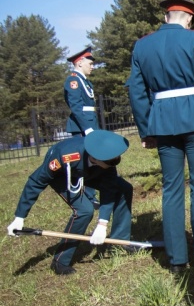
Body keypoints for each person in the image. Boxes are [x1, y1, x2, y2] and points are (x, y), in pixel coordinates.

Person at [127, 0, 194, 274]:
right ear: (189, 19)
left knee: (171, 188)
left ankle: (176, 260)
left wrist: (146, 129)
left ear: (166, 18)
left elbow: (136, 92)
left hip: (162, 122)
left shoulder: (142, 45)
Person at [5, 130, 133, 275]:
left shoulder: (106, 159)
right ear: (95, 157)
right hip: (63, 175)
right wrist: (19, 217)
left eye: (117, 159)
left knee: (124, 188)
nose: (115, 162)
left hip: (93, 171)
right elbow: (36, 182)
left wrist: (102, 224)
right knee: (84, 211)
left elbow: (109, 190)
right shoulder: (64, 156)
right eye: (112, 161)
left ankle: (119, 242)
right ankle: (60, 262)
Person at [63, 47, 100, 205]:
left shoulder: (84, 81)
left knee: (92, 159)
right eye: (89, 63)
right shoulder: (73, 81)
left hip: (90, 122)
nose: (92, 66)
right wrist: (87, 128)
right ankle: (86, 197)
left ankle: (92, 195)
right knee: (84, 161)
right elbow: (76, 107)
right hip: (82, 127)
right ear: (79, 63)